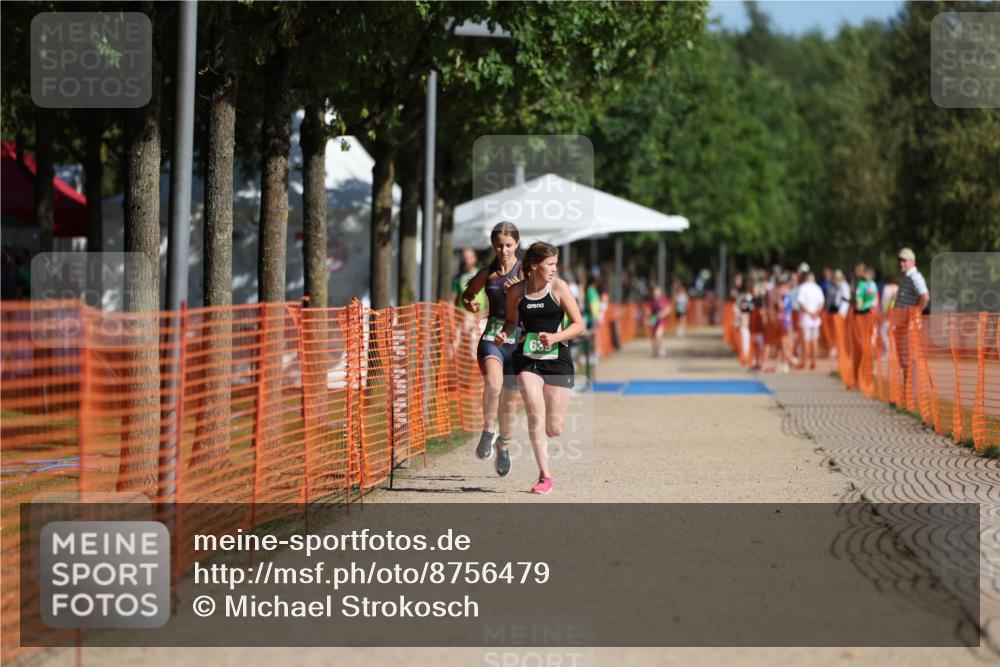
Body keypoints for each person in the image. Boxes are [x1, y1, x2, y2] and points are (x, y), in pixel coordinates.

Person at [495, 242, 585, 495]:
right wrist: (504, 334)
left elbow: (579, 325)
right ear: (534, 266)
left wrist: (555, 338)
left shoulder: (558, 288)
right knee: (535, 411)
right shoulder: (516, 292)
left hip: (558, 358)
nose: (555, 269)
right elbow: (512, 322)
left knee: (554, 428)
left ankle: (545, 441)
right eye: (550, 264)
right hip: (527, 357)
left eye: (555, 264)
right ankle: (544, 475)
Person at [461, 223, 522, 476]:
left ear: (516, 244)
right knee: (493, 384)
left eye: (508, 245)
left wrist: (522, 293)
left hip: (517, 342)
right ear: (492, 245)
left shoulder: (527, 273)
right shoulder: (489, 273)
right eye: (499, 245)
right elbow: (467, 295)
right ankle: (488, 431)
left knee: (509, 403)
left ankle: (504, 445)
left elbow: (543, 301)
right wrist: (471, 305)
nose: (503, 250)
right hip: (492, 339)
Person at [892, 247, 930, 386]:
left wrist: (916, 313)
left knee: (908, 359)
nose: (901, 263)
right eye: (900, 260)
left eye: (904, 261)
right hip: (903, 324)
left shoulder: (914, 276)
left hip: (910, 325)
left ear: (912, 262)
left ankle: (910, 396)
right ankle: (908, 395)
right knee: (905, 359)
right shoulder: (907, 277)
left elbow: (925, 297)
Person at [796, 271, 825, 370]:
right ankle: (814, 362)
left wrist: (809, 313)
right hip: (815, 318)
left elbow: (801, 302)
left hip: (806, 318)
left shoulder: (802, 287)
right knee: (814, 341)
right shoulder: (817, 288)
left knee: (806, 341)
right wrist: (815, 313)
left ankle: (804, 361)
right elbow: (821, 303)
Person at [454, 247, 488, 312]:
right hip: (463, 318)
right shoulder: (458, 278)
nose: (466, 260)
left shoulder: (482, 275)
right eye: (465, 258)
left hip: (480, 317)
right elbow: (453, 299)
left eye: (469, 258)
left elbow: (488, 297)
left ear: (475, 258)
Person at [646, 285, 673, 358]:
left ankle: (660, 349)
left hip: (661, 320)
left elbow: (669, 308)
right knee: (653, 336)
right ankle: (655, 350)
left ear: (660, 293)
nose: (655, 294)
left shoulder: (663, 300)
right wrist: (648, 319)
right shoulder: (651, 301)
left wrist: (663, 313)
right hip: (654, 319)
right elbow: (649, 311)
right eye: (654, 292)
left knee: (658, 335)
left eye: (657, 292)